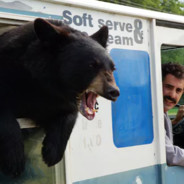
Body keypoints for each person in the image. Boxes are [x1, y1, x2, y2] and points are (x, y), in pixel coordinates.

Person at [162, 62, 184, 166]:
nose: (172, 95)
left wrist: (175, 121)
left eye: (178, 90)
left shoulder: (163, 113)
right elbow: (169, 154)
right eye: (168, 87)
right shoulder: (150, 113)